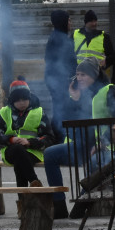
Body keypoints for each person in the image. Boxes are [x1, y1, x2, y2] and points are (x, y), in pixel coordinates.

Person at [42, 57, 115, 220]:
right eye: (77, 74)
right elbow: (64, 121)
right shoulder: (79, 93)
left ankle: (79, 207)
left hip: (106, 147)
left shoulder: (108, 90)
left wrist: (103, 141)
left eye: (83, 75)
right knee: (50, 155)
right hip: (82, 145)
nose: (79, 78)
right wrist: (73, 99)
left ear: (94, 75)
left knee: (96, 162)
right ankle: (59, 206)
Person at [0, 79, 55, 187]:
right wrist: (11, 139)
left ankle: (23, 199)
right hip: (10, 150)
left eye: (24, 99)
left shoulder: (39, 112)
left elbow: (50, 138)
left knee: (19, 162)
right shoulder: (4, 112)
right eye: (17, 100)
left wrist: (29, 142)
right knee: (18, 150)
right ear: (12, 101)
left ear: (29, 98)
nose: (22, 102)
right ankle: (34, 181)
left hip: (33, 151)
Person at [44, 9, 76, 142]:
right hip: (60, 81)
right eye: (68, 20)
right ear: (63, 21)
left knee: (59, 109)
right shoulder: (61, 39)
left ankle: (57, 137)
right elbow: (69, 63)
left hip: (56, 80)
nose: (70, 22)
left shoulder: (56, 36)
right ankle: (59, 138)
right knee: (61, 111)